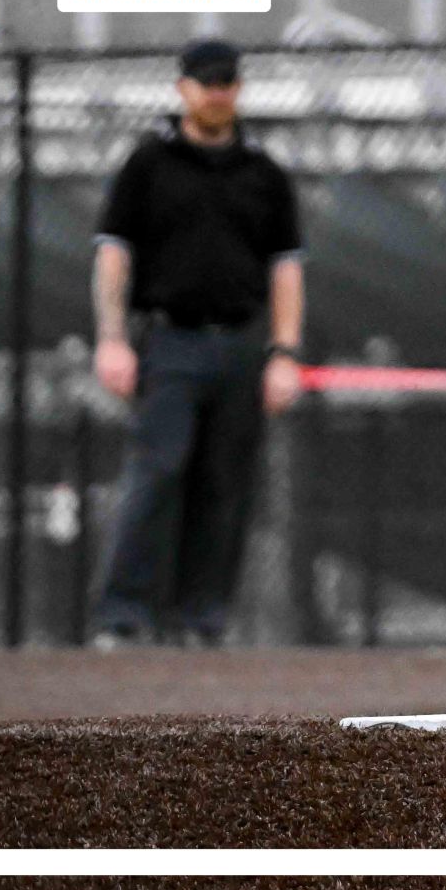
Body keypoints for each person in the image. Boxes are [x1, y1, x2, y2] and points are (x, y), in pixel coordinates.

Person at [88, 38, 305, 648]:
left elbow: (286, 268)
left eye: (226, 82)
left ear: (239, 88)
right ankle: (122, 613)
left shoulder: (264, 174)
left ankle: (200, 618)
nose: (217, 94)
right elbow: (114, 254)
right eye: (206, 83)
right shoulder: (148, 164)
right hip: (169, 342)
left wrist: (284, 353)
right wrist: (111, 339)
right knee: (157, 470)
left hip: (240, 345)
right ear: (182, 88)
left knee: (223, 484)